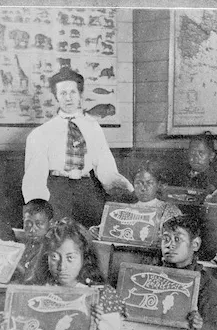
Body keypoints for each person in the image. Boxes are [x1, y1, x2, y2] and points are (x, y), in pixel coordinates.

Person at [21, 67, 133, 228]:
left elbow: (104, 162)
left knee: (94, 229)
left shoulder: (92, 126)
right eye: (63, 93)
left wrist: (118, 183)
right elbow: (35, 174)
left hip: (86, 188)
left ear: (80, 94)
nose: (68, 98)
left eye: (72, 92)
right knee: (58, 231)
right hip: (57, 189)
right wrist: (37, 201)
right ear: (56, 97)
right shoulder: (42, 133)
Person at [160, 214, 217, 330]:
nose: (170, 245)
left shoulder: (207, 284)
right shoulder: (153, 273)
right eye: (166, 238)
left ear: (195, 244)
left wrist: (200, 325)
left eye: (177, 239)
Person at [90, 160, 182, 239]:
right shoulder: (126, 208)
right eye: (138, 183)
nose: (143, 188)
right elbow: (110, 227)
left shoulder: (168, 209)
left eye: (149, 183)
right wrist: (98, 230)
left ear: (158, 185)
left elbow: (176, 235)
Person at [11, 198, 54, 284]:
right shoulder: (22, 244)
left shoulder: (49, 249)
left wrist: (15, 266)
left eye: (39, 224)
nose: (32, 230)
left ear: (50, 224)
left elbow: (33, 280)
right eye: (28, 224)